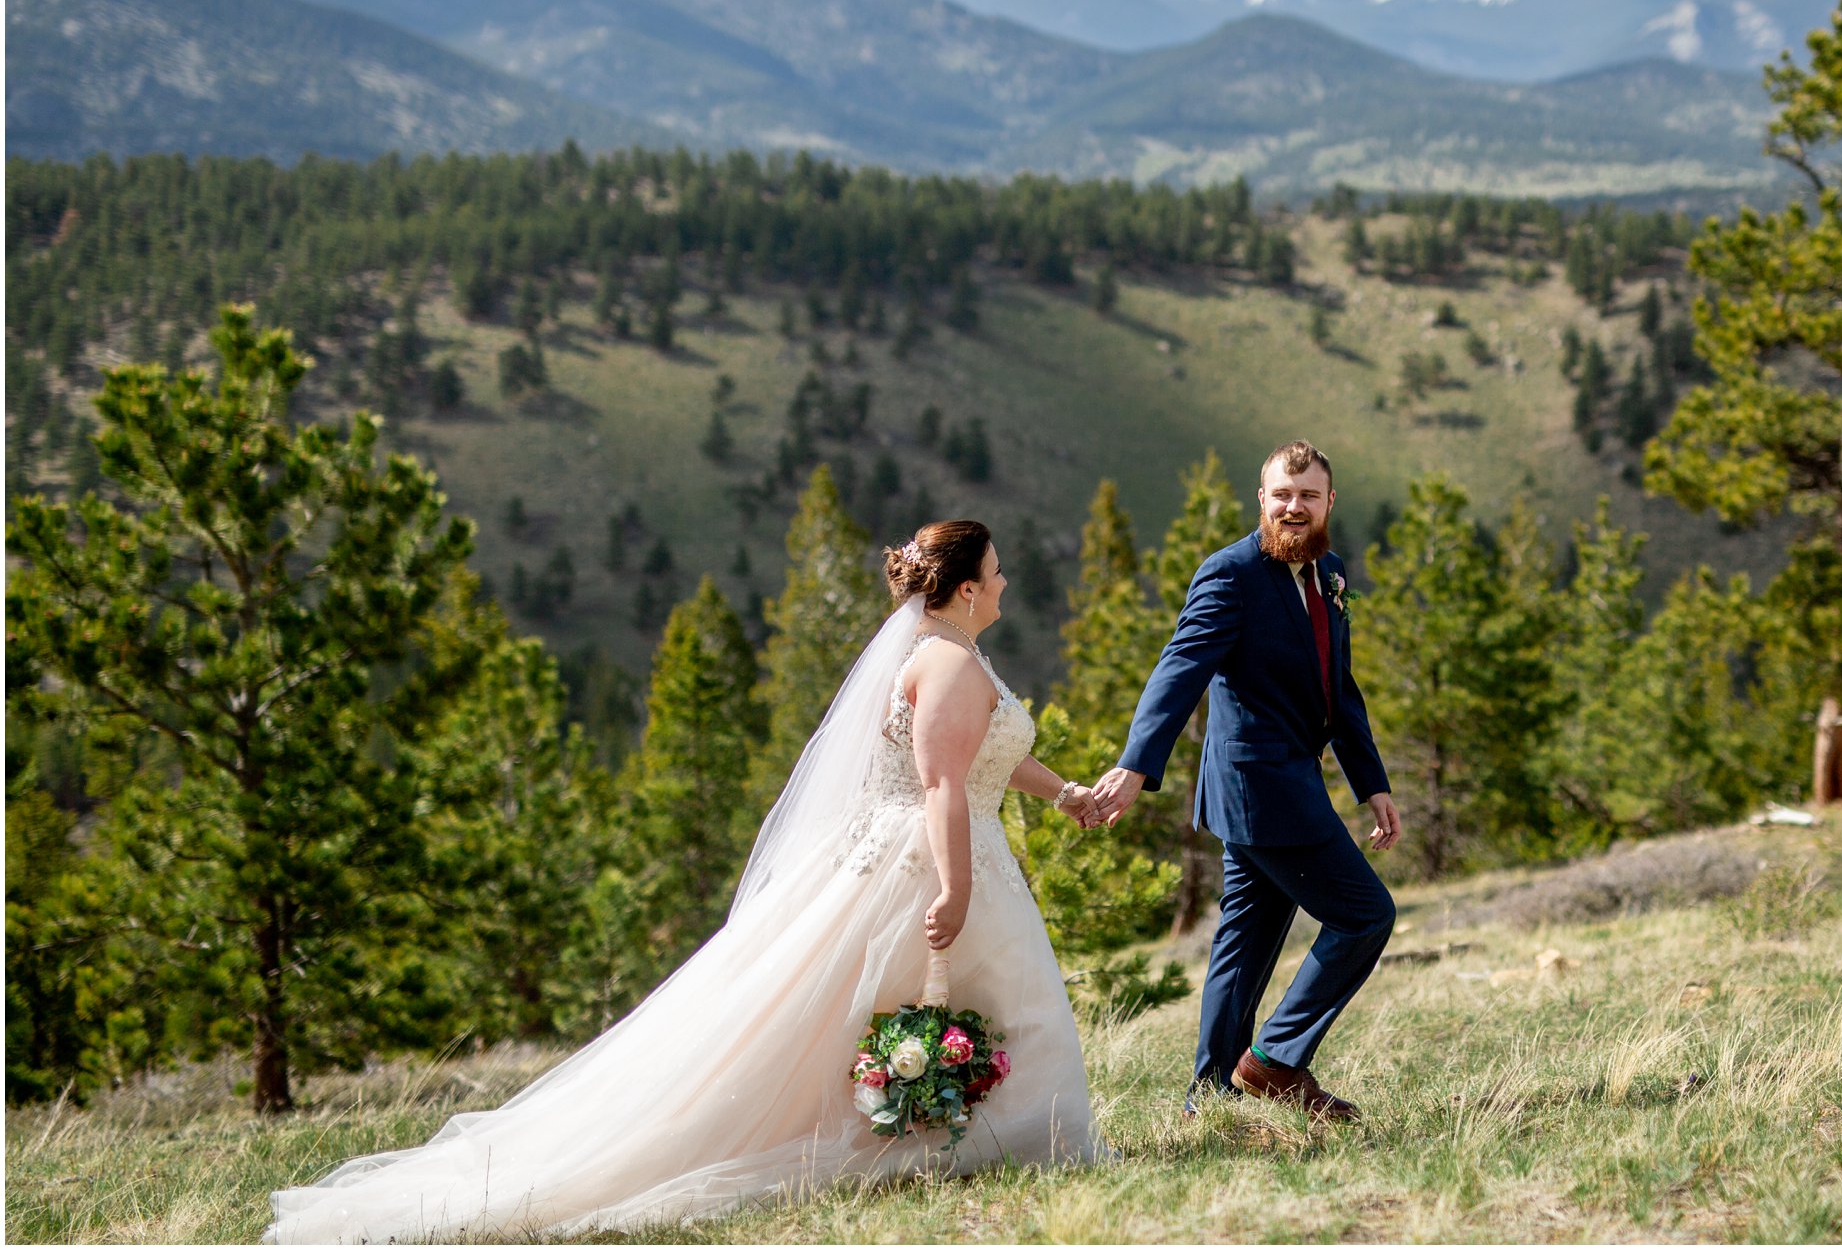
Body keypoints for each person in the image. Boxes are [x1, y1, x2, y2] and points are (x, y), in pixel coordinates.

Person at [266, 521, 1107, 1243]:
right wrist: (955, 890)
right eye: (994, 572)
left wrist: (1061, 789)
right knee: (876, 1011)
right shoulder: (950, 667)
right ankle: (970, 1136)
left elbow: (987, 752)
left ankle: (972, 1133)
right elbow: (940, 785)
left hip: (946, 846)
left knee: (939, 1008)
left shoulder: (959, 656)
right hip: (926, 857)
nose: (1004, 582)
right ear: (963, 588)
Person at [1088, 439, 1400, 1123]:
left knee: (1247, 940)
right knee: (1365, 914)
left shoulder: (1330, 574)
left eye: (1307, 496)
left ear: (1328, 503)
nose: (1293, 507)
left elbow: (1336, 687)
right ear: (1261, 498)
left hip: (1286, 785)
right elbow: (1180, 667)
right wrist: (1137, 763)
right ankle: (1275, 1060)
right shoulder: (1229, 573)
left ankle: (1211, 1097)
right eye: (1280, 495)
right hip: (1259, 788)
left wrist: (1369, 780)